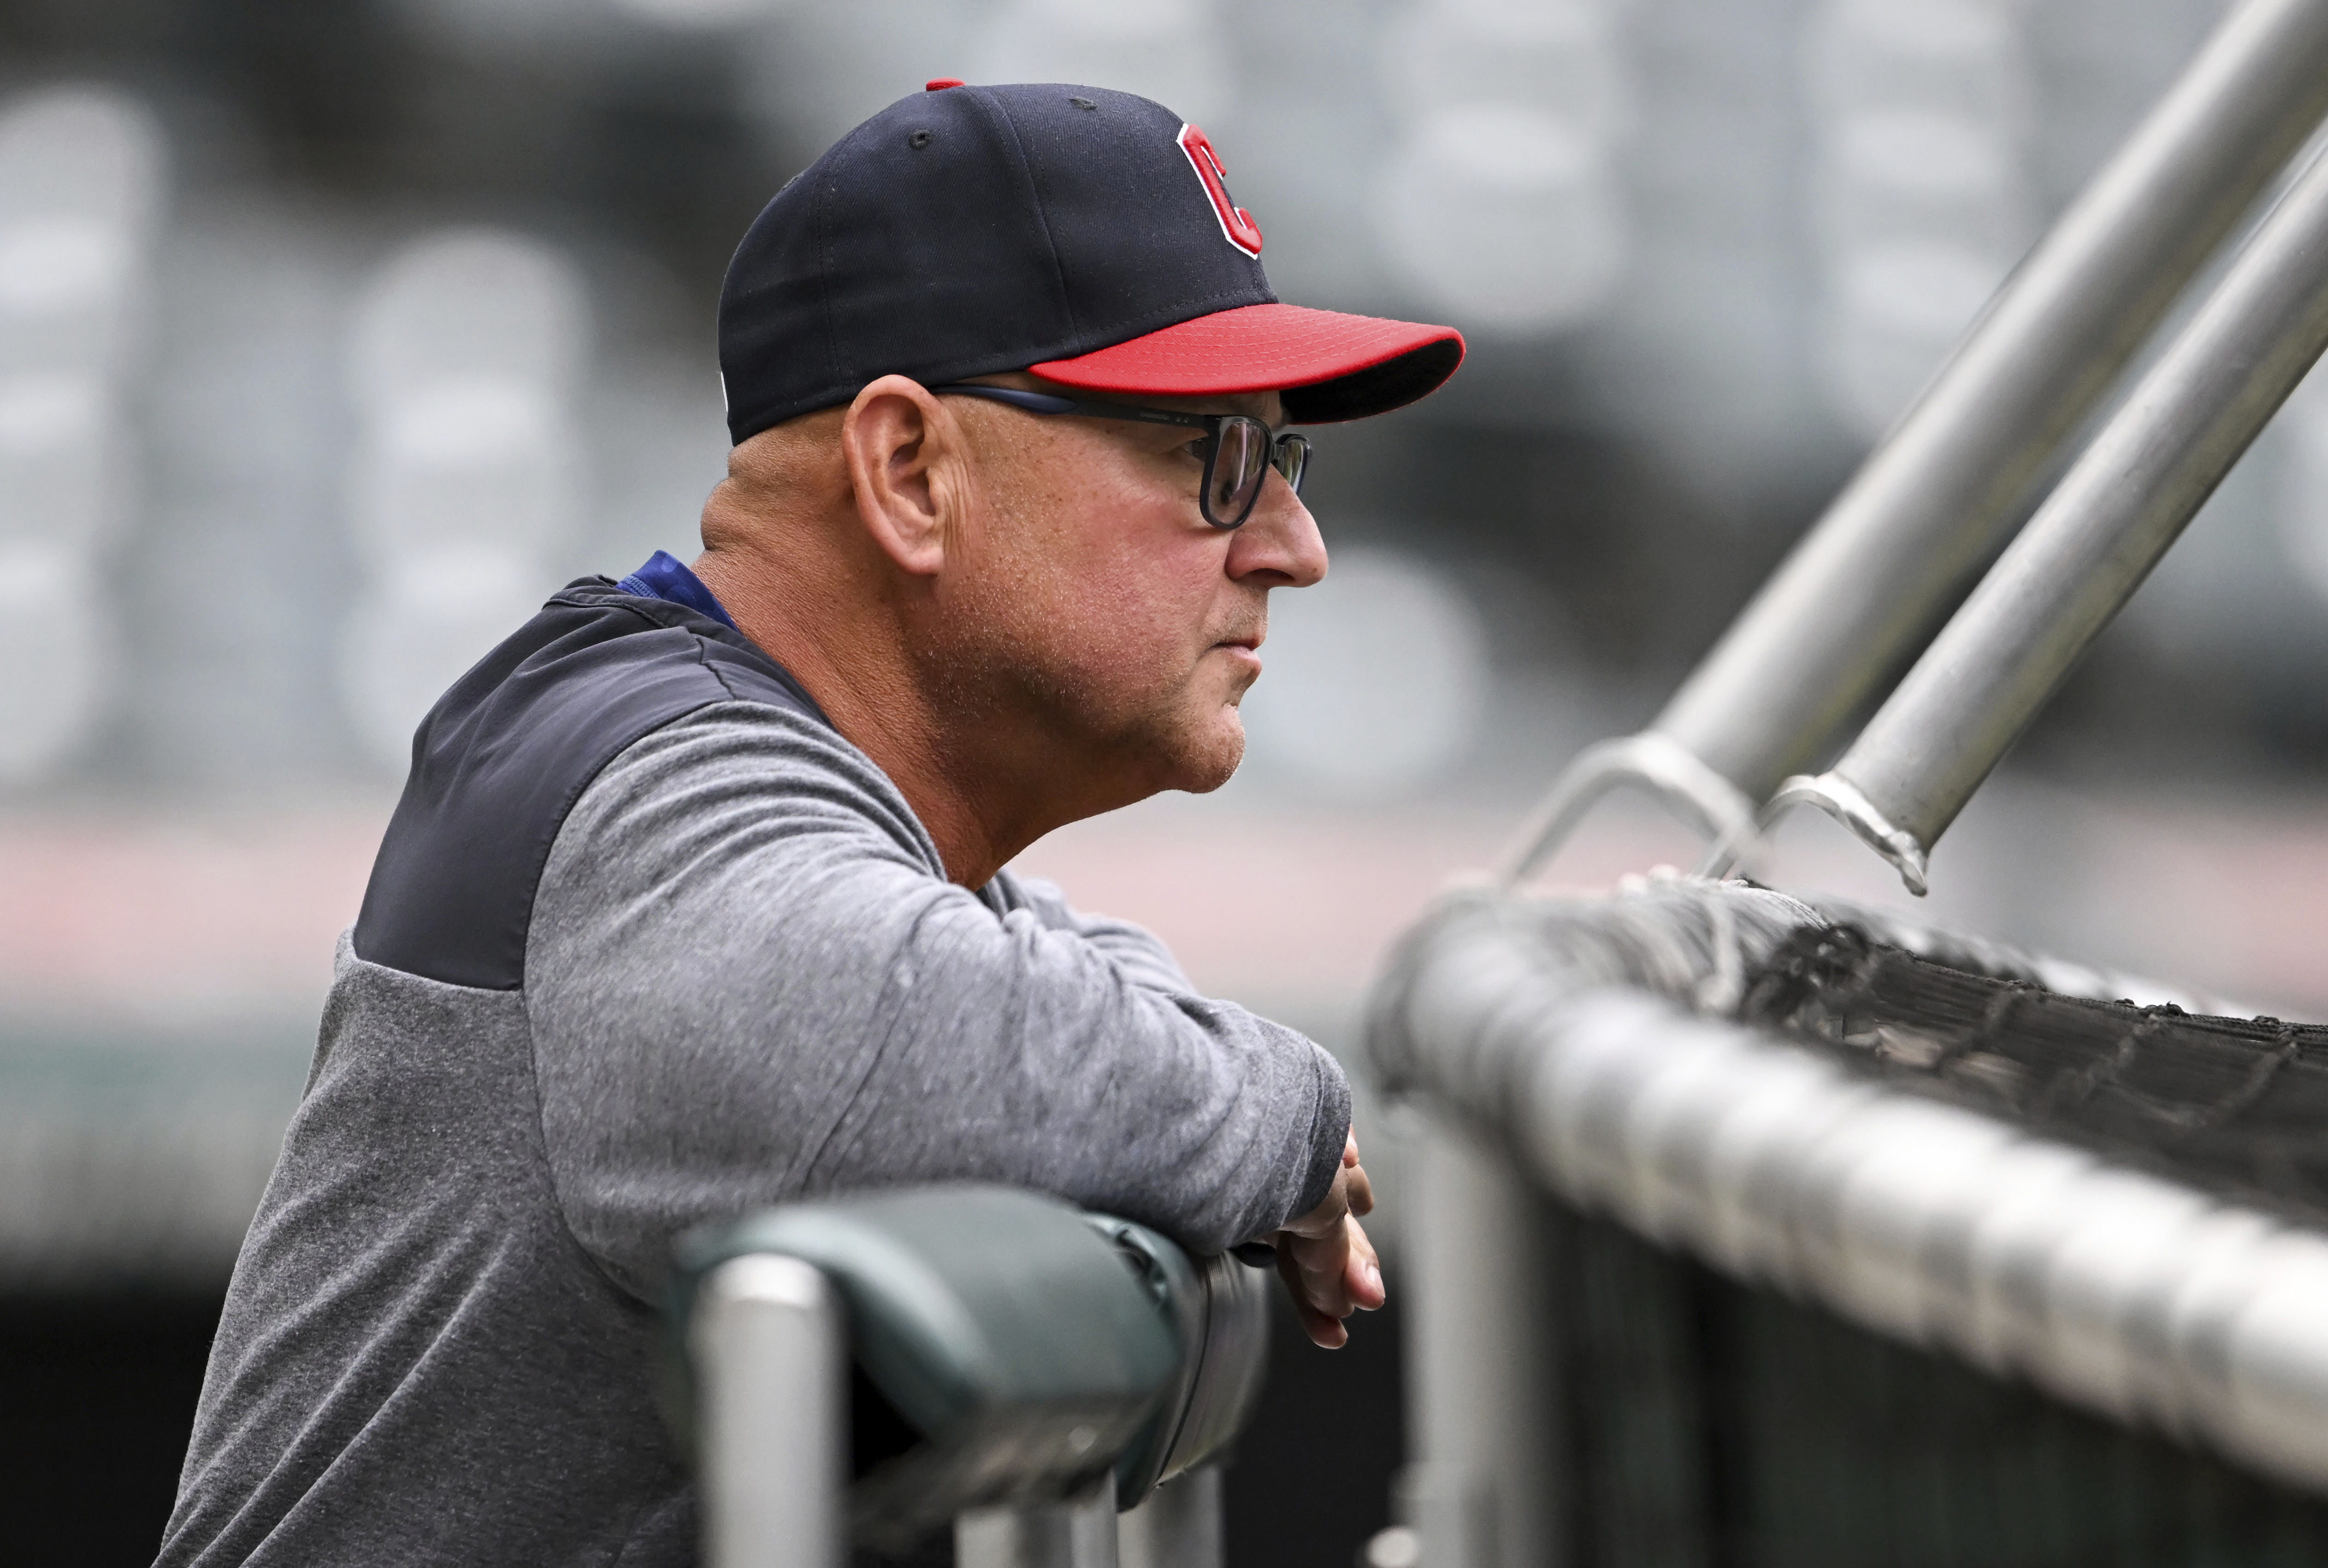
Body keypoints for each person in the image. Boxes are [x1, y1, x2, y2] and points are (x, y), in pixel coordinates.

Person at [157, 80, 1462, 1568]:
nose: (1294, 545)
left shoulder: (801, 797)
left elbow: (1039, 965)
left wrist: (1207, 1080)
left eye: (1283, 463)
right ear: (911, 472)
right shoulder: (642, 765)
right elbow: (888, 1039)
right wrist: (1283, 1108)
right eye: (1212, 454)